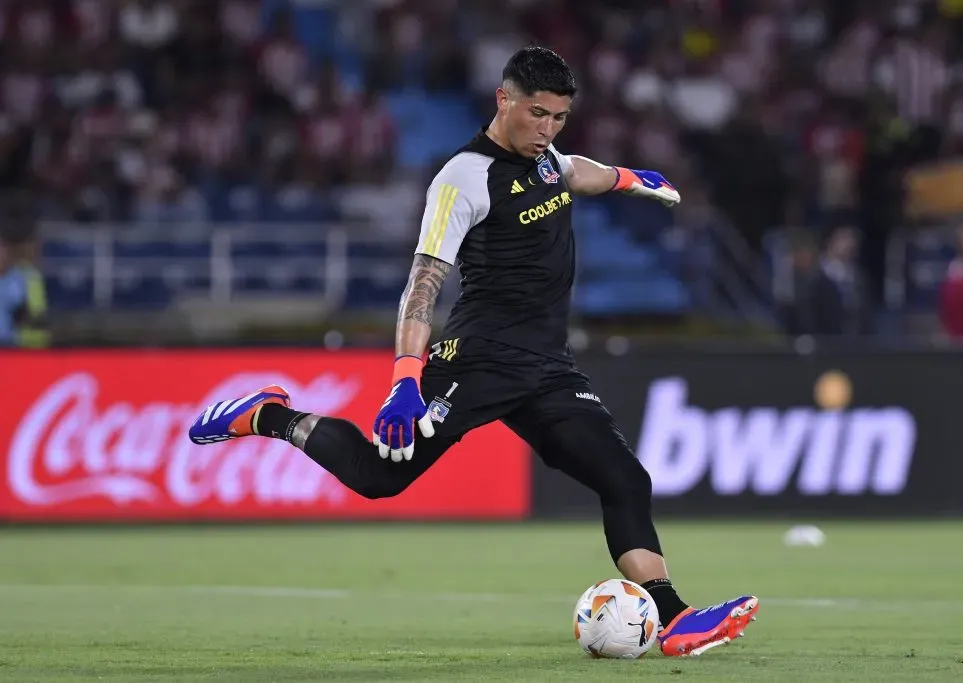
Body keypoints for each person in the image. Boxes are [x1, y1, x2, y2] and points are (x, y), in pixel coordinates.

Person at [189, 46, 758, 656]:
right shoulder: (463, 177)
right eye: (538, 114)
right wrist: (405, 381)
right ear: (503, 100)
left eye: (560, 118)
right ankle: (267, 414)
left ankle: (673, 620)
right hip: (477, 358)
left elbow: (574, 172)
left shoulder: (545, 158)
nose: (548, 130)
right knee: (379, 479)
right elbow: (422, 284)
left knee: (625, 478)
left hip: (546, 366)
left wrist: (629, 179)